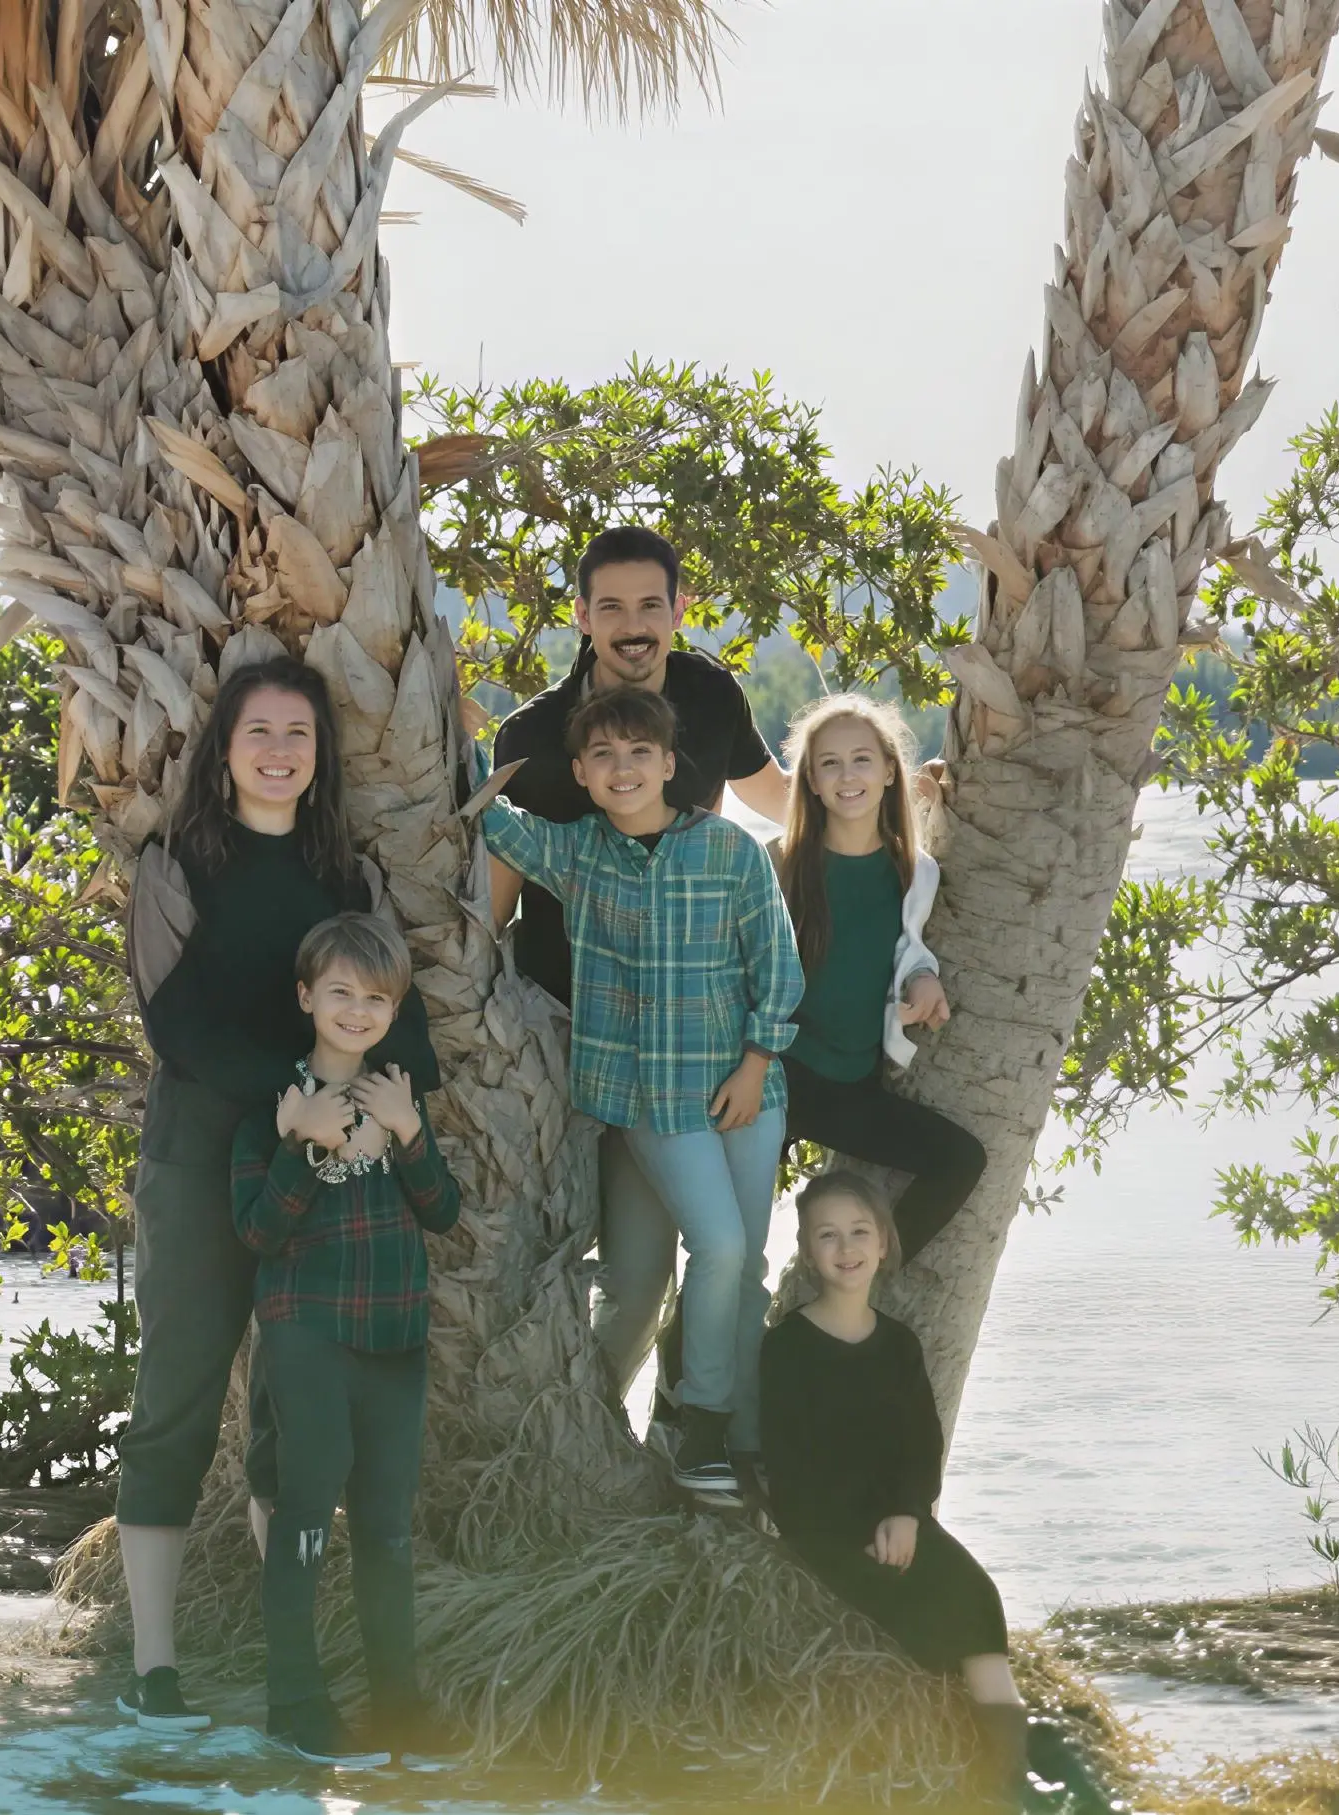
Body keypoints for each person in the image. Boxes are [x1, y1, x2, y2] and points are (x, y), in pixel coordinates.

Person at [117, 656, 440, 1736]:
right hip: (202, 1157)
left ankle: (285, 1665)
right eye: (258, 730)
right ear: (225, 747)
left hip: (328, 1186)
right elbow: (176, 1028)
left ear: (319, 754)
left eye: (298, 734)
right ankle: (154, 1664)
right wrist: (292, 1101)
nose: (278, 750)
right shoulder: (174, 863)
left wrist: (370, 1119)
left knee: (285, 1424)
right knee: (176, 1397)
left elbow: (403, 1026)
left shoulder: (344, 877)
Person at [489, 525, 788, 1433]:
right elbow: (491, 906)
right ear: (580, 616)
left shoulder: (708, 692)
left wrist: (903, 797)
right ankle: (576, 1443)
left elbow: (780, 802)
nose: (631, 626)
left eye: (649, 605)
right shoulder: (535, 736)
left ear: (678, 610)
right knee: (626, 1274)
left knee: (698, 1260)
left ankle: (674, 1432)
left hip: (699, 1046)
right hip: (577, 1042)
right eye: (609, 607)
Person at [231, 914, 462, 1769]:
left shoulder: (398, 1094)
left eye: (375, 998)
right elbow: (255, 1232)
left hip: (394, 1339)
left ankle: (398, 1707)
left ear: (393, 1008)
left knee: (386, 1530)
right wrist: (304, 1145)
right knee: (304, 1520)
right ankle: (293, 1702)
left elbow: (443, 1211)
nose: (356, 1010)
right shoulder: (277, 1104)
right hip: (307, 1333)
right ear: (307, 997)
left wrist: (408, 1134)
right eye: (340, 992)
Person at [761, 1171, 1039, 1807]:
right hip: (826, 1530)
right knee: (923, 1612)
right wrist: (854, 1534)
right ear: (807, 1250)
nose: (846, 1247)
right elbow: (789, 1464)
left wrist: (908, 1514)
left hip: (899, 1517)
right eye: (827, 1235)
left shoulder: (898, 1344)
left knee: (977, 1595)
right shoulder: (788, 1348)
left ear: (884, 1242)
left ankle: (1009, 1786)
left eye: (860, 1231)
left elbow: (920, 1447)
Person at [772, 695, 987, 1262]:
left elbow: (908, 947)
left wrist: (922, 980)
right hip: (777, 1077)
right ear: (812, 782)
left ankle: (863, 1285)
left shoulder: (915, 871)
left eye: (862, 759)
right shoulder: (779, 864)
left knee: (961, 1160)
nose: (848, 776)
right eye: (830, 763)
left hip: (852, 1083)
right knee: (729, 1245)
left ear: (891, 771)